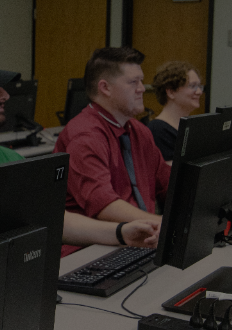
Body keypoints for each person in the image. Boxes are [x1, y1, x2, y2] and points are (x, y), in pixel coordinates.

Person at [0, 51, 159, 251]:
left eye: (2, 87)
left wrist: (121, 233)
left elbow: (53, 219)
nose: (5, 95)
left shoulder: (13, 159)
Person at [54, 47, 171, 231]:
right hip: (93, 246)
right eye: (133, 82)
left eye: (141, 81)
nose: (142, 89)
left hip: (141, 238)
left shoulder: (139, 131)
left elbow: (168, 184)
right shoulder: (85, 137)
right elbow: (104, 205)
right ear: (105, 88)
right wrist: (162, 225)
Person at [148, 61, 204, 162]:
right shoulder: (158, 131)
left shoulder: (190, 127)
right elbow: (172, 175)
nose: (199, 92)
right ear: (171, 92)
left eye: (199, 86)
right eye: (192, 86)